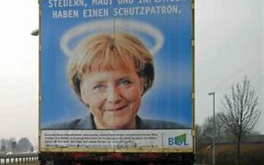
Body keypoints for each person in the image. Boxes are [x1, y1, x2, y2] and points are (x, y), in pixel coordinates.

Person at [45, 32, 186, 130]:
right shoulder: (55, 133)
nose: (113, 98)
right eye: (99, 86)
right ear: (83, 94)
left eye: (124, 82)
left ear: (143, 83)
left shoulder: (175, 131)